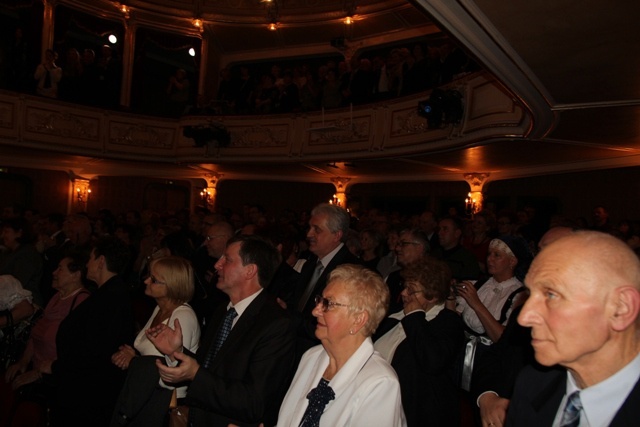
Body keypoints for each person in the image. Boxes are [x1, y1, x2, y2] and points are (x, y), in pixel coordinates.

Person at [146, 235, 295, 426]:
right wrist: (178, 352)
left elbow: (253, 402)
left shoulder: (276, 324)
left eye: (228, 260)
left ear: (250, 271)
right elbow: (211, 368)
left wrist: (195, 374)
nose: (217, 265)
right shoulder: (223, 311)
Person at [506, 231, 640, 426]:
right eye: (530, 293)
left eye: (551, 295)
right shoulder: (532, 384)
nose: (524, 318)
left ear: (621, 308)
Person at [277, 264, 406, 426]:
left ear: (358, 319)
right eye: (319, 301)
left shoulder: (379, 383)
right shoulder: (311, 356)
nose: (315, 311)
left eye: (328, 304)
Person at [40, 237, 134, 427]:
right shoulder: (106, 293)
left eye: (90, 258)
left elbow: (94, 351)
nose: (87, 264)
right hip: (83, 389)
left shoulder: (111, 298)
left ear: (101, 262)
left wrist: (56, 367)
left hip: (88, 395)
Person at [374, 258, 465, 427]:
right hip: (378, 403)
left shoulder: (448, 323)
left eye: (412, 290)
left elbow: (432, 361)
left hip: (416, 414)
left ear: (432, 297)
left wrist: (415, 315)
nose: (403, 293)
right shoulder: (394, 315)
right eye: (405, 286)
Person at [3, 252, 90, 426]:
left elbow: (75, 350)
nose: (54, 272)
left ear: (76, 275)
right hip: (36, 369)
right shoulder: (56, 297)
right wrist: (22, 363)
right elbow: (36, 335)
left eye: (60, 269)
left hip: (56, 379)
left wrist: (38, 374)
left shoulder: (82, 302)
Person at [111, 256, 200, 426]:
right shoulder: (160, 308)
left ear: (172, 285)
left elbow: (175, 374)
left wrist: (134, 362)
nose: (145, 281)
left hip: (163, 406)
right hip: (145, 398)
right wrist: (133, 354)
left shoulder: (182, 316)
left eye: (153, 280)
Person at [454, 235, 532, 391]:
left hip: (490, 361)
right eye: (489, 254)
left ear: (512, 261)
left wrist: (476, 303)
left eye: (497, 255)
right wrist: (449, 296)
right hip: (462, 353)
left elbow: (501, 338)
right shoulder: (480, 284)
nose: (490, 259)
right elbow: (454, 317)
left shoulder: (518, 295)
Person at [291, 203, 361, 355]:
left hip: (322, 352)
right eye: (310, 228)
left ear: (337, 235)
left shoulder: (351, 270)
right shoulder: (310, 264)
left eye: (317, 230)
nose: (309, 234)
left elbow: (338, 325)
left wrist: (289, 318)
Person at [0, 217, 44, 307]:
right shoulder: (9, 252)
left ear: (19, 233)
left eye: (6, 232)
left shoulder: (27, 254)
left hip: (24, 304)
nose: (2, 236)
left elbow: (18, 282)